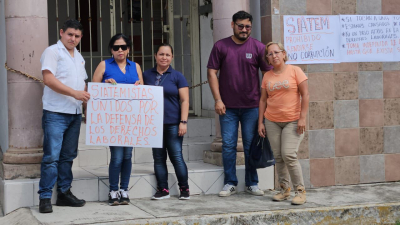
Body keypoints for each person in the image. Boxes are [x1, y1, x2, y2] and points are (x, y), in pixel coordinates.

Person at [207, 10, 272, 197]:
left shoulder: (259, 47)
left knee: (251, 145)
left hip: (252, 106)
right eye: (240, 26)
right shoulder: (221, 46)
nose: (244, 30)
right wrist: (217, 100)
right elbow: (212, 72)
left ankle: (252, 183)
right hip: (227, 107)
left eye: (247, 27)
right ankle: (230, 182)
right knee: (228, 145)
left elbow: (268, 76)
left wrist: (267, 103)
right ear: (233, 25)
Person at [38, 19, 89, 213]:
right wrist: (74, 93)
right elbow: (48, 79)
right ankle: (44, 197)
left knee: (68, 156)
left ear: (80, 37)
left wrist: (84, 102)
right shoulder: (52, 51)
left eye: (77, 36)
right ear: (61, 33)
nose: (73, 39)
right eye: (70, 34)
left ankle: (64, 193)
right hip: (55, 113)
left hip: (74, 113)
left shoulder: (78, 56)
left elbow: (82, 82)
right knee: (51, 157)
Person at [92, 33, 143, 206]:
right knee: (117, 157)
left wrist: (138, 87)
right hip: (112, 119)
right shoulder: (103, 65)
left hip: (130, 119)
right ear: (111, 50)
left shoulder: (135, 66)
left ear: (128, 49)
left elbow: (142, 90)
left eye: (123, 47)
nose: (120, 50)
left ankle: (124, 189)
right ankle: (113, 190)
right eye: (116, 47)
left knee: (128, 156)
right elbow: (94, 90)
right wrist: (105, 86)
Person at [258, 42, 309, 205]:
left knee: (288, 154)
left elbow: (305, 95)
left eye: (276, 52)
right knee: (278, 157)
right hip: (272, 120)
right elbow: (263, 100)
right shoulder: (267, 76)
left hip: (293, 121)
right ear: (268, 59)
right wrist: (261, 122)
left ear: (284, 54)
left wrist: (302, 118)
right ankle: (284, 190)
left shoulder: (295, 71)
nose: (274, 56)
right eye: (270, 54)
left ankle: (300, 191)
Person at [143, 43, 190, 200]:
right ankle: (163, 189)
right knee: (158, 157)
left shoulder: (177, 76)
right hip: (154, 124)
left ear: (172, 57)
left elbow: (184, 100)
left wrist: (183, 122)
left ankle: (184, 189)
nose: (164, 57)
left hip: (173, 124)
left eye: (167, 55)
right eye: (161, 54)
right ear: (155, 55)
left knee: (176, 156)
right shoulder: (146, 75)